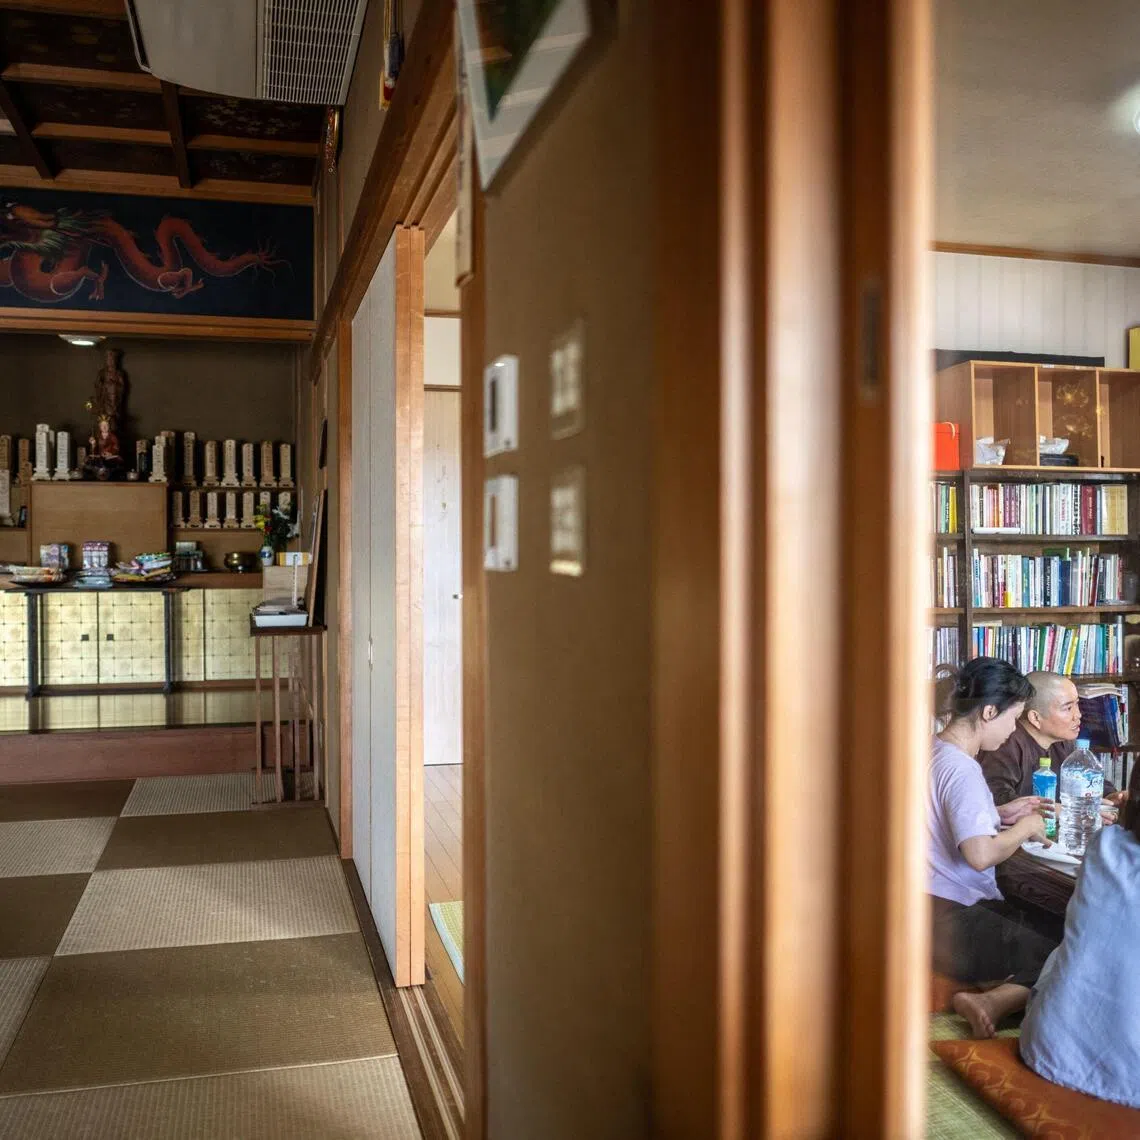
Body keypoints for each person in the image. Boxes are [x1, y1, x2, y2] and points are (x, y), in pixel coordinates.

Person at [929, 658, 1059, 1039]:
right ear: (989, 712)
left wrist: (999, 813)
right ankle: (990, 1001)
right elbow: (980, 855)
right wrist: (1026, 827)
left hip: (919, 914)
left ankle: (995, 984)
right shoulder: (963, 770)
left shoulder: (933, 752)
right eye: (1012, 718)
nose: (1012, 730)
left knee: (1037, 926)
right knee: (1064, 950)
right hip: (951, 923)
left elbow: (939, 818)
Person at [1019, 758, 1140, 1107]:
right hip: (1129, 1080)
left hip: (1050, 1048)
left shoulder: (1106, 844)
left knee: (1068, 950)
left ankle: (1000, 998)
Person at [978, 671, 1122, 822]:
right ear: (1035, 717)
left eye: (1077, 704)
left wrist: (1110, 797)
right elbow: (1000, 801)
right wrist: (1065, 810)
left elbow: (1087, 778)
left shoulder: (1064, 741)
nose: (1078, 715)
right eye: (1068, 708)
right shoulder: (1005, 743)